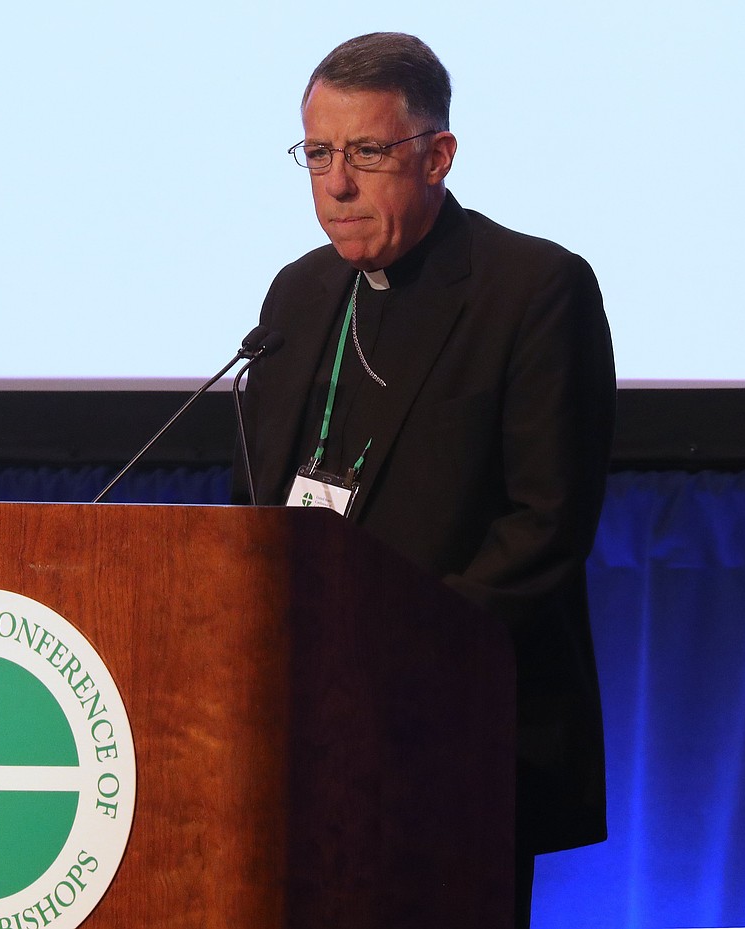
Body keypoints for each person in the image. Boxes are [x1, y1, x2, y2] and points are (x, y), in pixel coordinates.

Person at [234, 32, 615, 928]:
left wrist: (398, 657)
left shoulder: (532, 289)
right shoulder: (297, 294)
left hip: (453, 739)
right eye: (319, 154)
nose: (337, 183)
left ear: (438, 155)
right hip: (299, 731)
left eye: (366, 153)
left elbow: (544, 524)